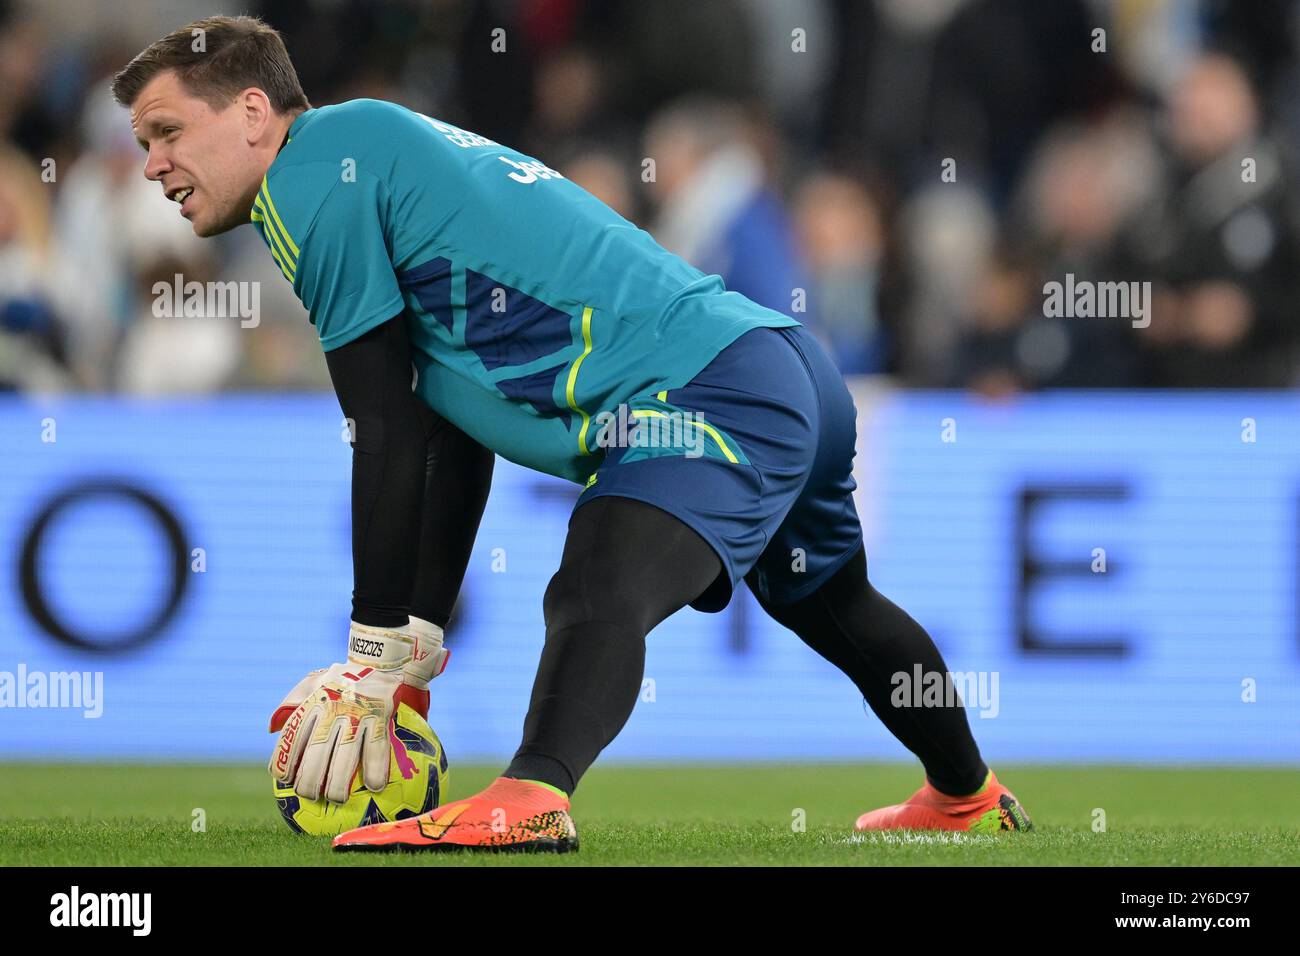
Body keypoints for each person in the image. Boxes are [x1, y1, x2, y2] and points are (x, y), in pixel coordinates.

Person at [112, 15, 1031, 852]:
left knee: (601, 578)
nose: (151, 162)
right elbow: (444, 427)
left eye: (167, 131)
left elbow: (383, 425)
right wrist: (414, 636)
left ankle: (533, 794)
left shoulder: (316, 172)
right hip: (772, 366)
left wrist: (372, 648)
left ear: (253, 111)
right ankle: (966, 794)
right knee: (833, 603)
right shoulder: (362, 153)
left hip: (708, 387)